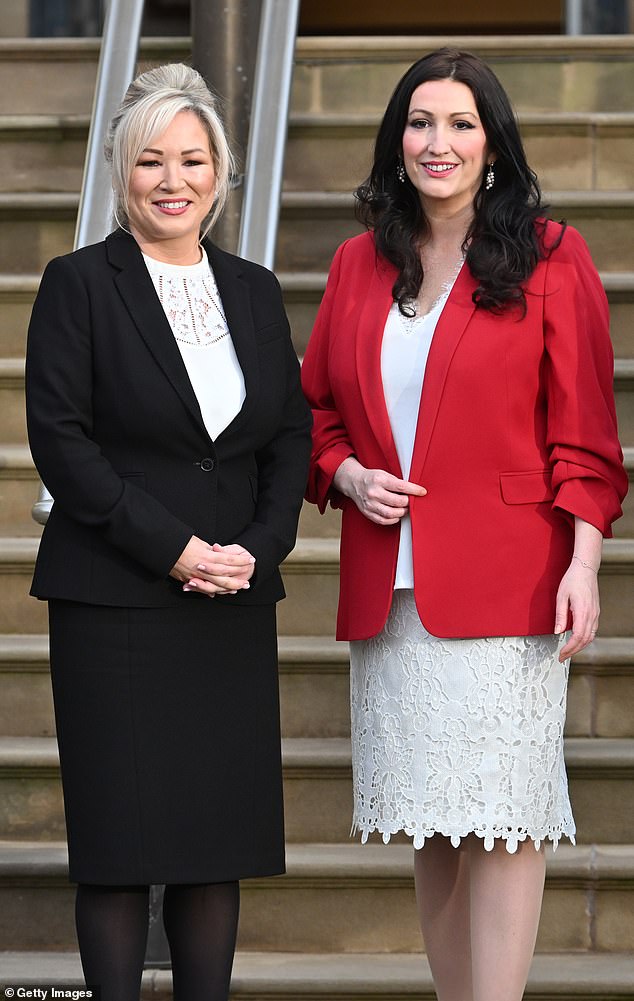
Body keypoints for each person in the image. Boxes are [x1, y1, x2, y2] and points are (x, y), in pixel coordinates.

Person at [300, 48, 627, 1001]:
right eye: (420, 122)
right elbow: (314, 411)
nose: (437, 142)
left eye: (461, 124)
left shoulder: (554, 256)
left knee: (505, 817)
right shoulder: (359, 262)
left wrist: (585, 562)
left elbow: (589, 440)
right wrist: (348, 474)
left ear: (493, 145)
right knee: (433, 823)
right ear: (396, 141)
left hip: (509, 580)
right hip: (390, 594)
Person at [25, 63, 312, 1001]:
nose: (172, 178)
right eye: (151, 160)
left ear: (222, 174)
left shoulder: (254, 289)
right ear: (121, 172)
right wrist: (175, 548)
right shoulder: (78, 284)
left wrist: (259, 548)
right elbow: (62, 445)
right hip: (116, 600)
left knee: (209, 847)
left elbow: (289, 437)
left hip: (227, 603)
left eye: (192, 159)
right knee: (118, 847)